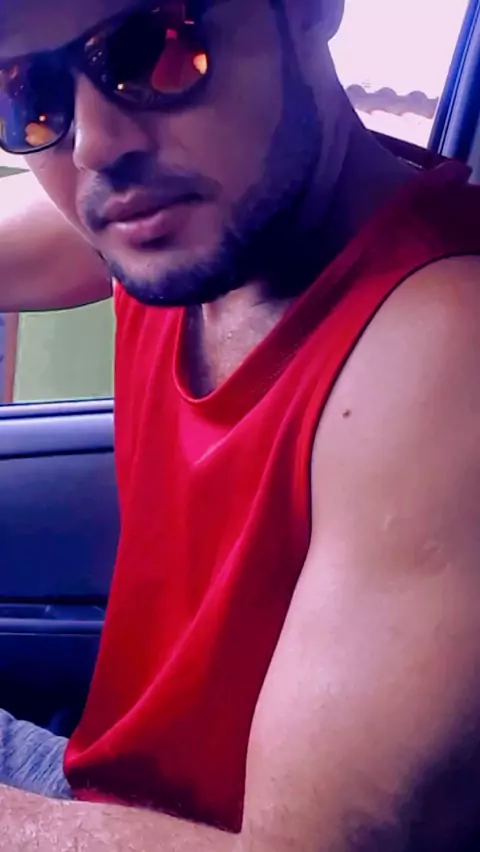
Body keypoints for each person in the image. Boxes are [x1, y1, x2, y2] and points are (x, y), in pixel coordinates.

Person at [1, 0, 480, 848]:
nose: (93, 146)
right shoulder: (173, 226)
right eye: (29, 95)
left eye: (154, 49)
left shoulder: (446, 345)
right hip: (103, 794)